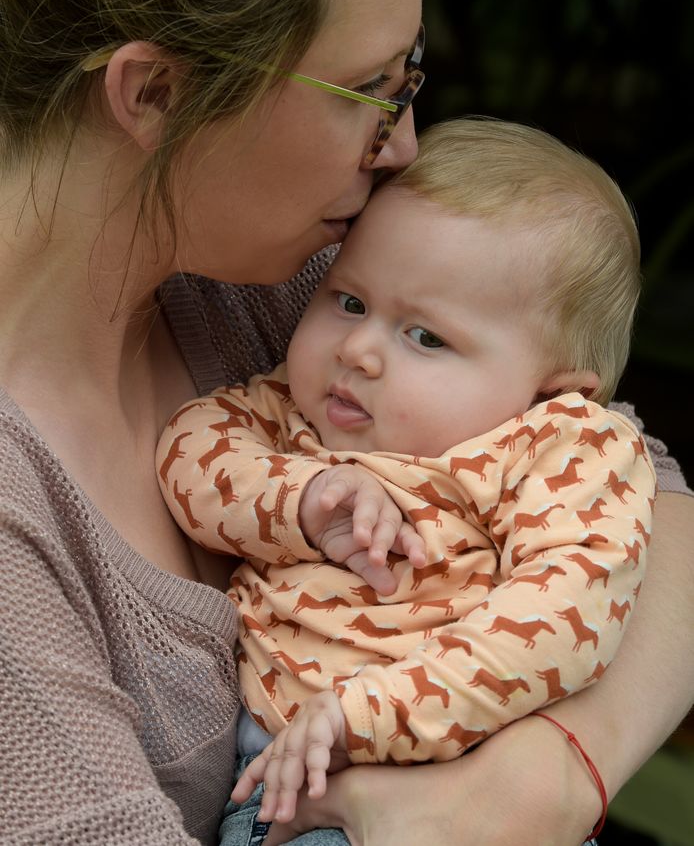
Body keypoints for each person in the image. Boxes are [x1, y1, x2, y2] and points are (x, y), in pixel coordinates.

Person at [0, 0, 691, 846]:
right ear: (155, 93)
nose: (406, 145)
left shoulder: (269, 279)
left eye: (411, 76)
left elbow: (643, 487)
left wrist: (538, 787)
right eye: (372, 88)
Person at [156, 117, 657, 842]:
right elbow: (189, 449)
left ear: (551, 395)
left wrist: (363, 715)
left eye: (425, 336)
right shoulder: (292, 411)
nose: (358, 350)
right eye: (350, 301)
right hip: (282, 788)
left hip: (463, 786)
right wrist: (300, 501)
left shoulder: (558, 446)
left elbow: (562, 619)